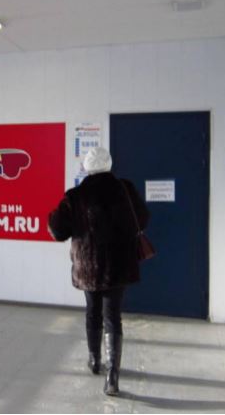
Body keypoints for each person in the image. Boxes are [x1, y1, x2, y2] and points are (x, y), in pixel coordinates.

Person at [47, 147, 149, 396]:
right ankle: (112, 377)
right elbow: (143, 219)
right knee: (113, 316)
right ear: (109, 164)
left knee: (93, 312)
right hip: (118, 265)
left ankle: (94, 361)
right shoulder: (125, 188)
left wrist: (55, 218)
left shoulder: (75, 195)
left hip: (88, 266)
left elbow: (58, 230)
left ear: (87, 167)